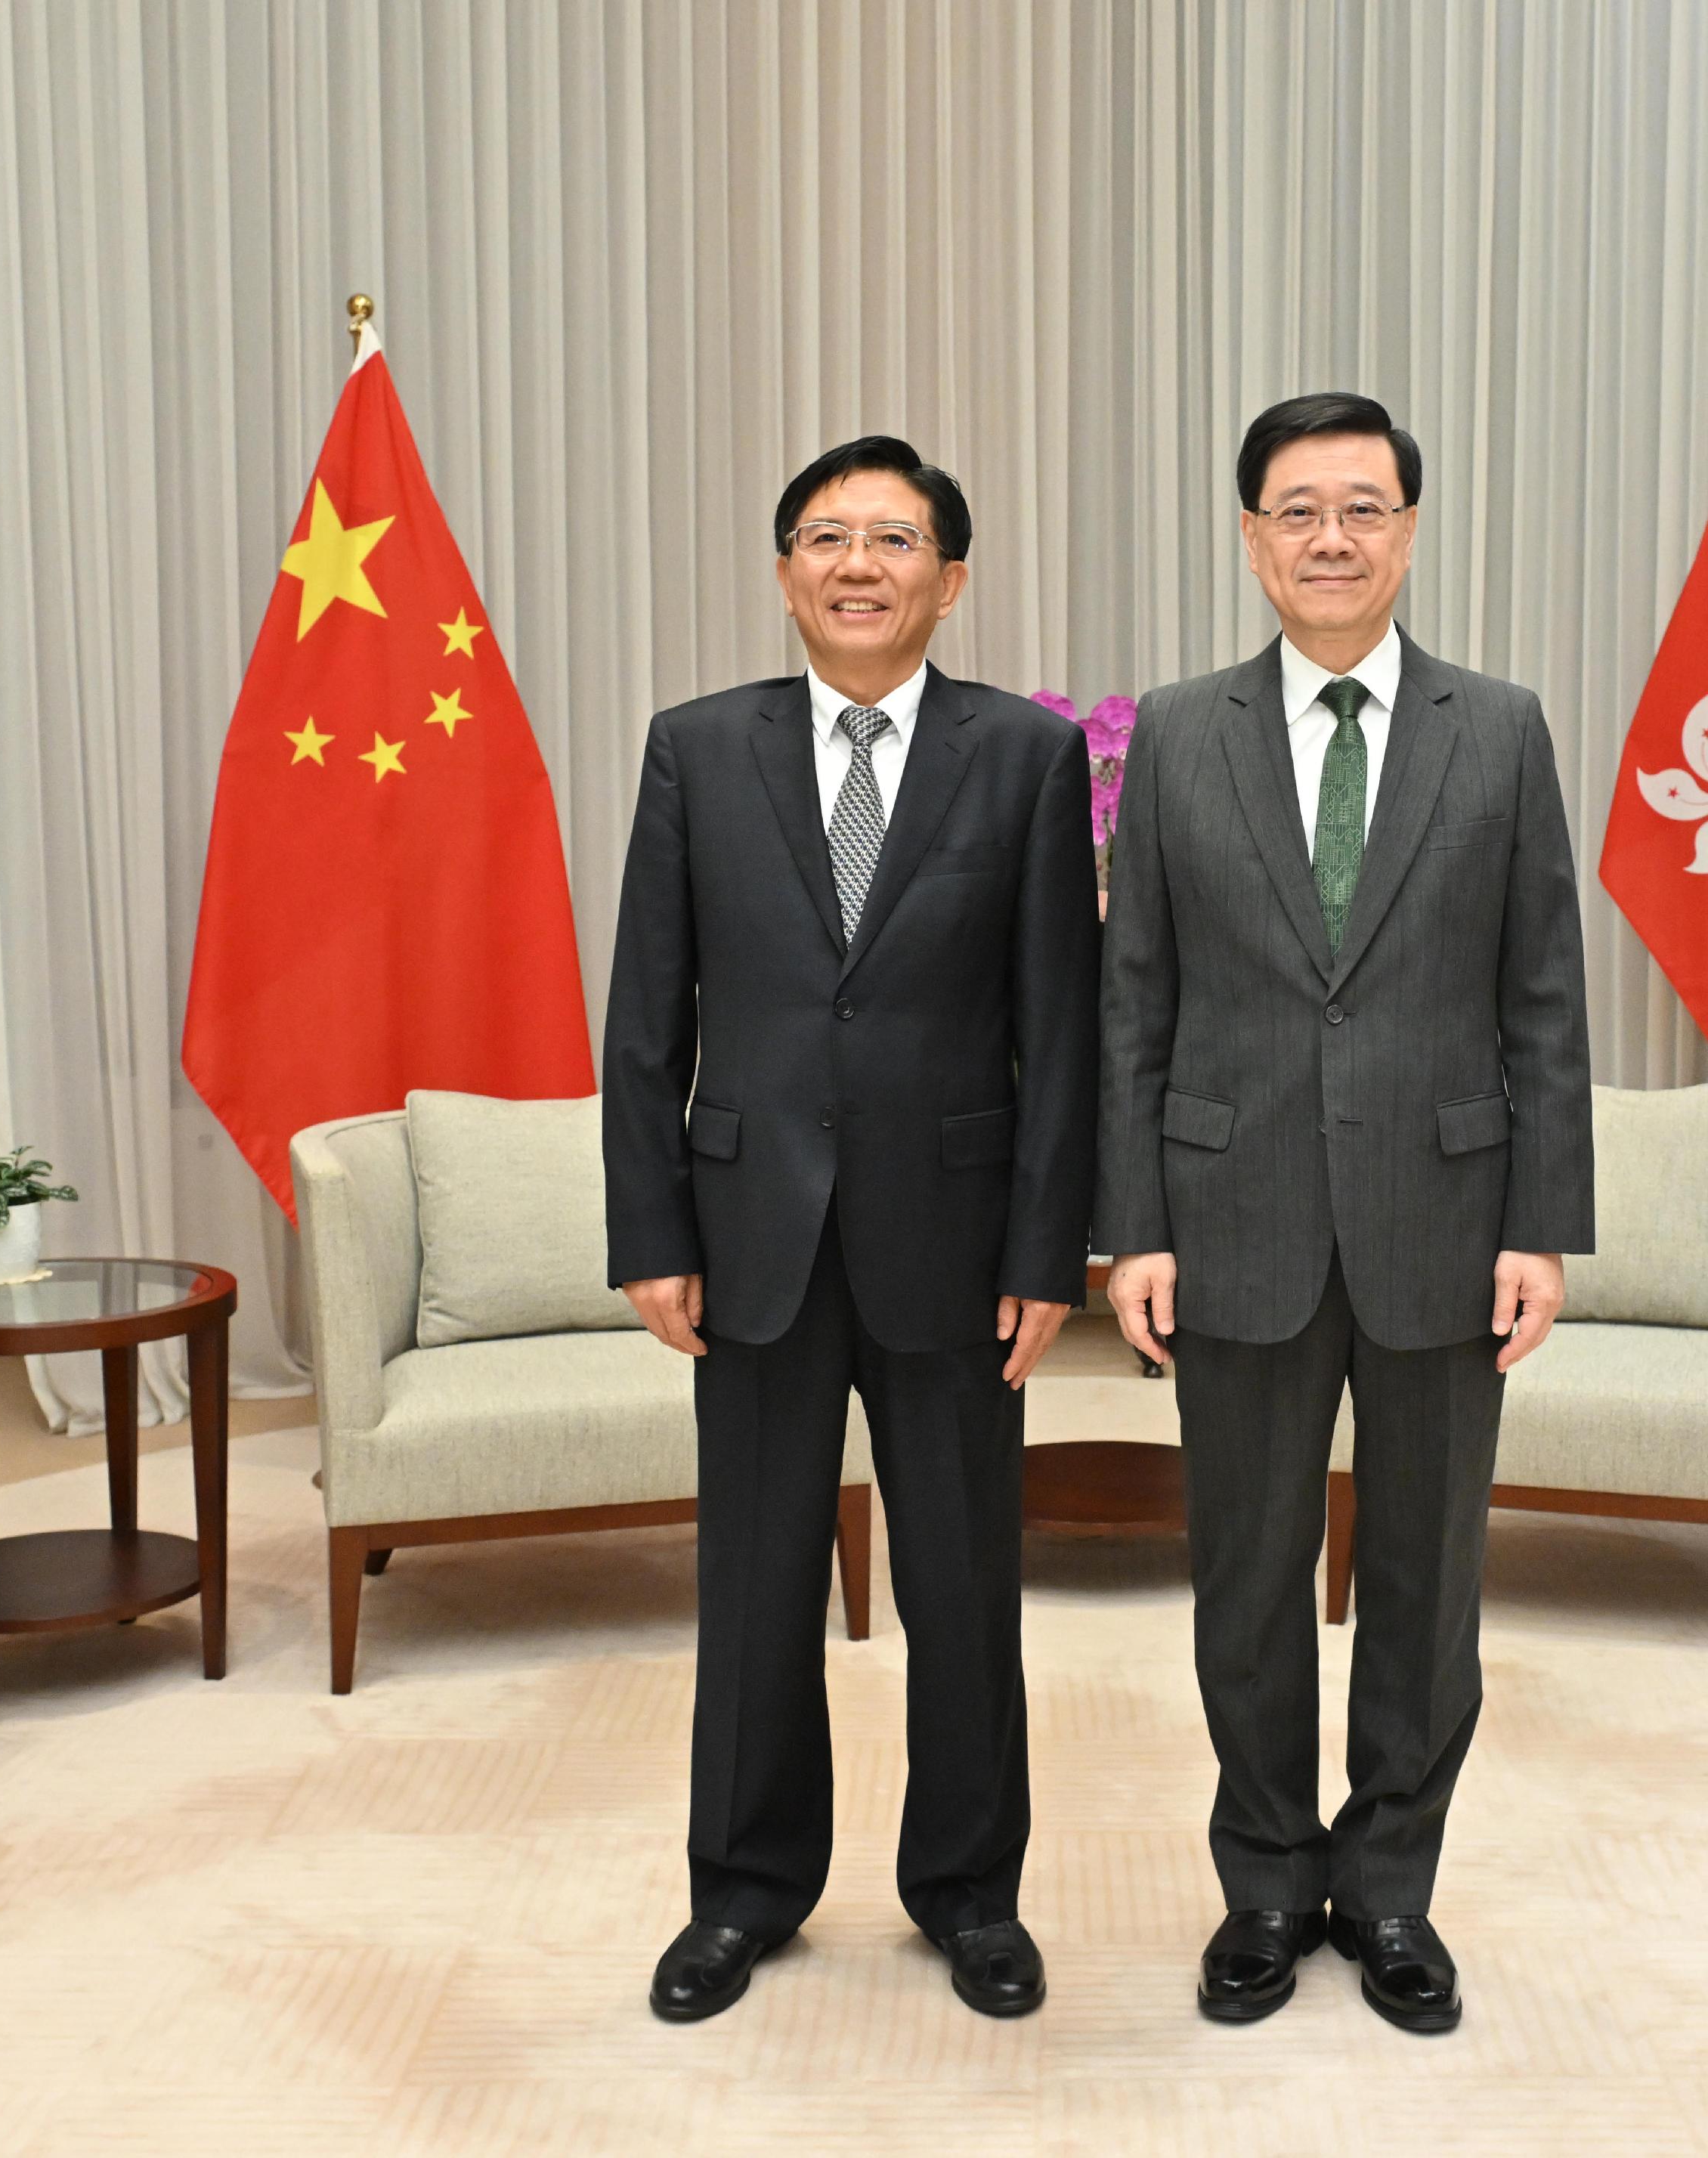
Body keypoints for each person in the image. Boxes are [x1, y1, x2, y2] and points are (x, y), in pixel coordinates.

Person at [1096, 392, 1595, 2033]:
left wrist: (1542, 1226)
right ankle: (1260, 1884)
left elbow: (1542, 999)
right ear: (1248, 538)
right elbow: (1133, 1001)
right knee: (1243, 1584)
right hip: (1226, 1215)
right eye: (1295, 509)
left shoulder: (1497, 727)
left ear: (1406, 529)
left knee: (1425, 1585)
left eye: (1360, 508)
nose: (1328, 537)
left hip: (1445, 1224)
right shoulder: (1174, 730)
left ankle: (1388, 1893)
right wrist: (1130, 1227)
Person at [605, 435, 1099, 2023]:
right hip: (747, 1232)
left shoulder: (1022, 757)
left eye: (894, 539)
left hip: (953, 1245)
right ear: (782, 574)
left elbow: (1060, 1033)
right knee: (752, 1585)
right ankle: (742, 1891)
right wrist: (649, 1230)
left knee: (962, 1586)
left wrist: (1045, 1254)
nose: (858, 564)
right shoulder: (694, 749)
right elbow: (642, 1021)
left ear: (948, 579)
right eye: (826, 536)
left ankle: (968, 1895)